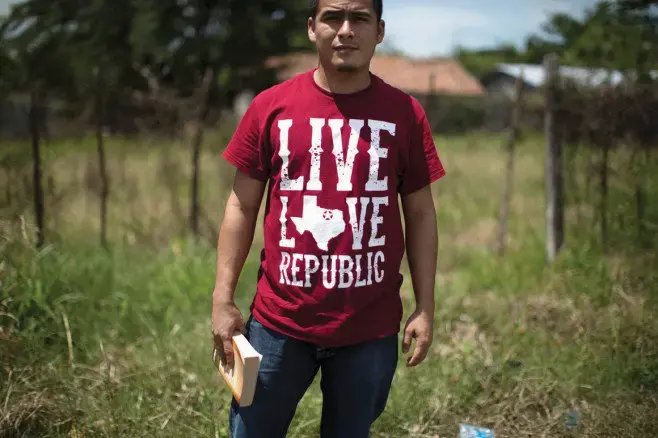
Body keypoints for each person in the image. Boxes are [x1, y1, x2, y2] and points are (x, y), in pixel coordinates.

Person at [211, 0, 446, 436]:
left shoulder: (404, 114)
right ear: (311, 29)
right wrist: (222, 298)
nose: (344, 30)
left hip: (370, 329)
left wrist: (425, 307)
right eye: (331, 18)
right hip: (278, 325)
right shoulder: (271, 107)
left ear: (379, 31)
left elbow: (420, 212)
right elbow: (240, 206)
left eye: (358, 19)